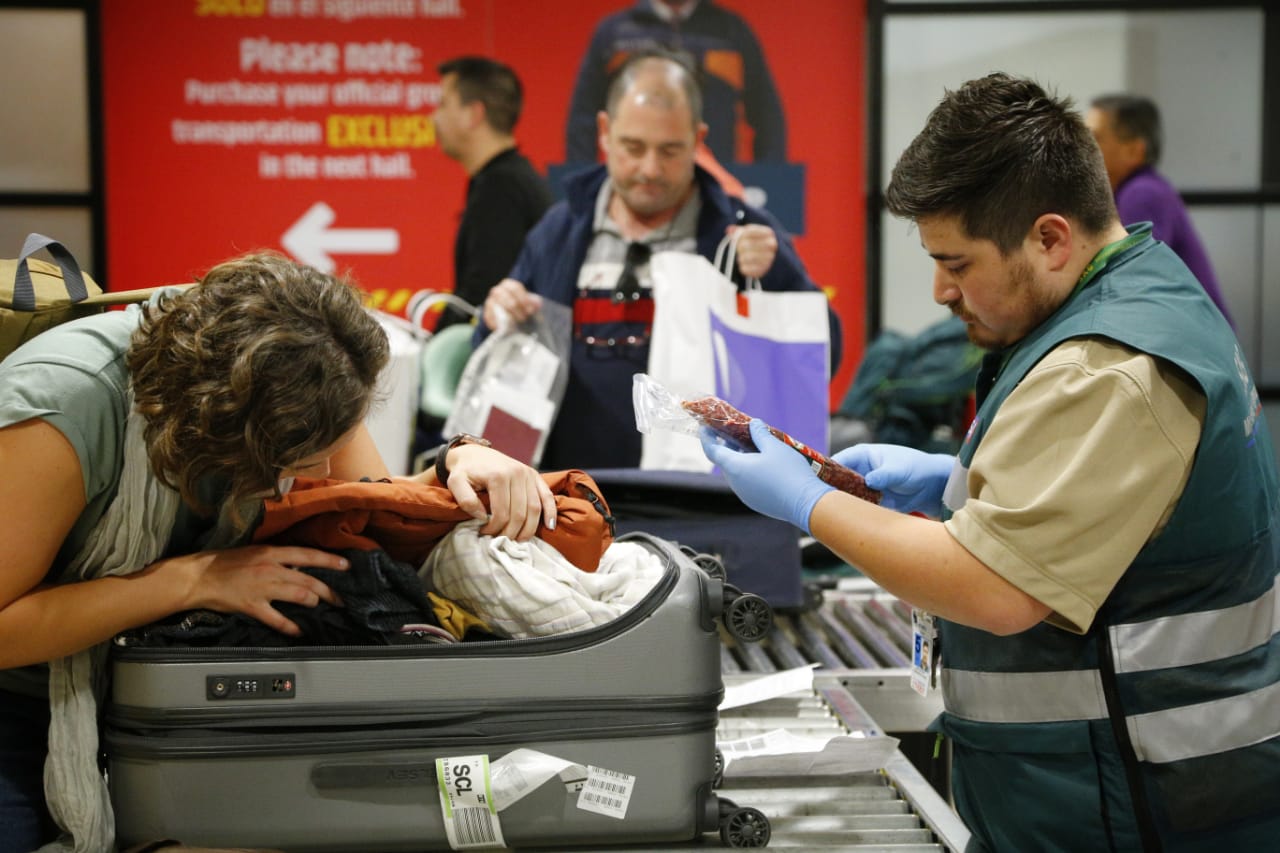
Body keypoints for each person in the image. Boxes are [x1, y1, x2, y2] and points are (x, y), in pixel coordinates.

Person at [702, 72, 1279, 850]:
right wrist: (955, 479)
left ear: (1050, 239)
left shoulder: (1106, 365)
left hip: (1137, 812)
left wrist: (808, 502)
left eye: (959, 263)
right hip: (1111, 796)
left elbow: (996, 589)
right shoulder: (1145, 288)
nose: (942, 291)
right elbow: (1114, 506)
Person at [0, 252, 556, 852]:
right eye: (303, 461)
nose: (326, 470)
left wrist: (460, 460)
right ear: (226, 432)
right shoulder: (64, 406)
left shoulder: (313, 372)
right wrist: (193, 581)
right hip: (24, 692)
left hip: (154, 688)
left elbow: (363, 511)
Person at [480, 52, 839, 470]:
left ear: (698, 139)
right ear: (604, 132)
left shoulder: (741, 235)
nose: (650, 169)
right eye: (634, 148)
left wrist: (774, 276)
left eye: (670, 150)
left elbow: (821, 357)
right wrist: (496, 319)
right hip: (570, 487)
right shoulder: (559, 231)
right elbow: (496, 360)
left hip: (697, 491)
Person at [564, 0, 786, 166]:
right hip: (637, 182)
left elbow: (766, 114)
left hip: (716, 180)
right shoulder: (614, 33)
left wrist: (772, 180)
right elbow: (583, 117)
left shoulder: (733, 31)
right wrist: (584, 182)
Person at [1086, 93, 1234, 327]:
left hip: (1191, 337)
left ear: (1134, 151)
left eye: (1095, 138)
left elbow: (1130, 281)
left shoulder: (1142, 193)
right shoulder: (1141, 189)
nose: (1083, 147)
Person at [432, 56, 552, 329]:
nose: (433, 117)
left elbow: (479, 300)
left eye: (443, 104)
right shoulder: (506, 181)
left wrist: (432, 345)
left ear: (474, 114)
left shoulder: (501, 189)